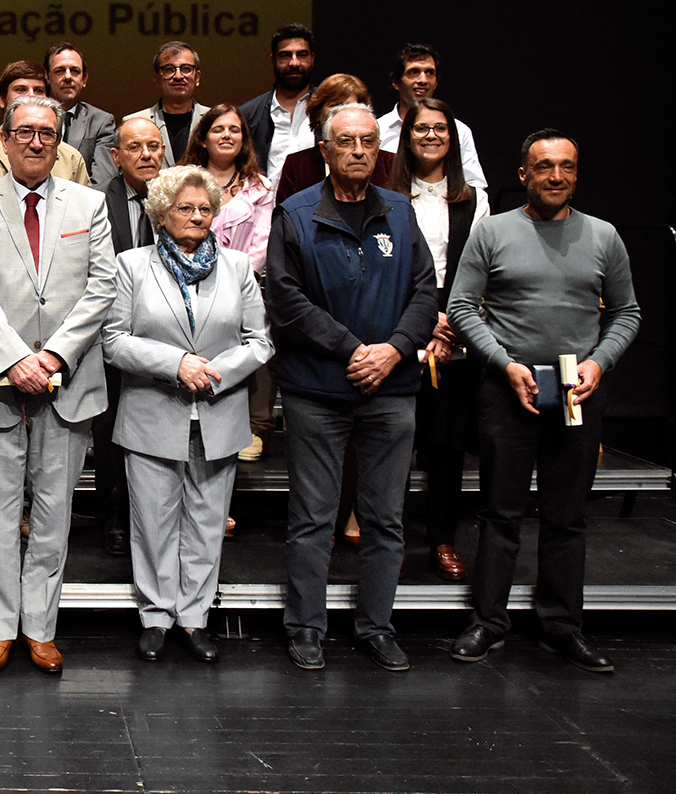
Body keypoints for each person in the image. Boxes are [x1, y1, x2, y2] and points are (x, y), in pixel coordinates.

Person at [448, 129, 639, 672]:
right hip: (510, 391)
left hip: (577, 392)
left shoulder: (603, 236)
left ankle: (562, 625)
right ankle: (488, 621)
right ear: (523, 174)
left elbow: (627, 312)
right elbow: (462, 308)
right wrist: (505, 365)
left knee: (567, 516)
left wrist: (597, 363)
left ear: (577, 174)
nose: (557, 176)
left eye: (567, 167)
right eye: (545, 167)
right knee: (500, 512)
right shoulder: (492, 231)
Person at [266, 102, 437, 671]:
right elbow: (287, 301)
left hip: (392, 389)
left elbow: (424, 293)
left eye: (368, 141)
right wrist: (352, 350)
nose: (360, 150)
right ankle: (306, 627)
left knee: (386, 520)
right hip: (317, 391)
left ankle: (377, 626)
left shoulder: (400, 210)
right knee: (312, 518)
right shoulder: (295, 214)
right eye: (346, 142)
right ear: (325, 149)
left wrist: (392, 350)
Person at [0, 95, 117, 675]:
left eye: (47, 132)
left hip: (67, 382)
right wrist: (16, 359)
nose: (37, 141)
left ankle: (40, 629)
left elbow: (101, 288)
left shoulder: (90, 204)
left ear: (59, 138)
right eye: (25, 131)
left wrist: (53, 358)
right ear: (5, 136)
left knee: (53, 513)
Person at [104, 166, 272, 663]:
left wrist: (214, 372)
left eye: (204, 208)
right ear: (161, 213)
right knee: (153, 520)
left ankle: (195, 617)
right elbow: (113, 340)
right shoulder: (131, 265)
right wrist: (175, 364)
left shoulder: (239, 267)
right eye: (185, 208)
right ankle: (156, 615)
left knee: (206, 518)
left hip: (219, 411)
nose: (197, 216)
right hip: (153, 409)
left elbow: (260, 340)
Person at [385, 98, 488, 581]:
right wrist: (425, 320)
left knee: (446, 446)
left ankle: (443, 539)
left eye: (440, 129)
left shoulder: (473, 197)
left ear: (453, 137)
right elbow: (389, 269)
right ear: (407, 137)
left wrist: (452, 320)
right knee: (396, 443)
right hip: (403, 326)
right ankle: (393, 539)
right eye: (421, 128)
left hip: (457, 334)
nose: (430, 136)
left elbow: (479, 266)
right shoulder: (387, 194)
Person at [179, 104, 276, 461]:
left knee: (256, 338)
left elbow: (262, 241)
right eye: (218, 129)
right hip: (185, 280)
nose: (227, 136)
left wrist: (229, 278)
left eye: (235, 129)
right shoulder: (182, 181)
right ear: (203, 138)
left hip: (244, 281)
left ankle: (254, 426)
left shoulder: (260, 187)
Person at [88, 116, 166, 555]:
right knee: (110, 430)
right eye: (134, 148)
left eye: (153, 146)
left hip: (165, 337)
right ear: (116, 157)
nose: (147, 155)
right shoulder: (95, 202)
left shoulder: (178, 201)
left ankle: (153, 519)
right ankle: (113, 517)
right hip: (109, 337)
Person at [0, 61, 90, 198]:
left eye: (38, 90)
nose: (30, 96)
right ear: (2, 99)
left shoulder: (71, 158)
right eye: (21, 90)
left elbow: (86, 213)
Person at [376, 44, 487, 188]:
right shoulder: (377, 129)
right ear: (396, 82)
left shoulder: (458, 130)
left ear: (436, 82)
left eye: (429, 72)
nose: (423, 80)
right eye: (414, 72)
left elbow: (474, 185)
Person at [274, 74, 394, 203]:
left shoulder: (389, 163)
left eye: (350, 106)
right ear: (318, 114)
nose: (342, 112)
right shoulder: (297, 165)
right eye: (336, 106)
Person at [237, 24, 316, 180]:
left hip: (318, 204)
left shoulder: (330, 109)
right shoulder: (247, 115)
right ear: (273, 60)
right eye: (285, 56)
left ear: (312, 59)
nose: (294, 63)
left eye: (302, 55)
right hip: (264, 204)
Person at [122, 40, 209, 169]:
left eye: (186, 69)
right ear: (156, 78)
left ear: (197, 77)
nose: (178, 76)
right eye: (169, 70)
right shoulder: (133, 122)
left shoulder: (214, 121)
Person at [44, 41, 116, 183]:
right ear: (47, 77)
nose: (68, 77)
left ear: (84, 79)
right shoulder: (31, 118)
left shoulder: (101, 122)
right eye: (59, 71)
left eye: (75, 71)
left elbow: (103, 181)